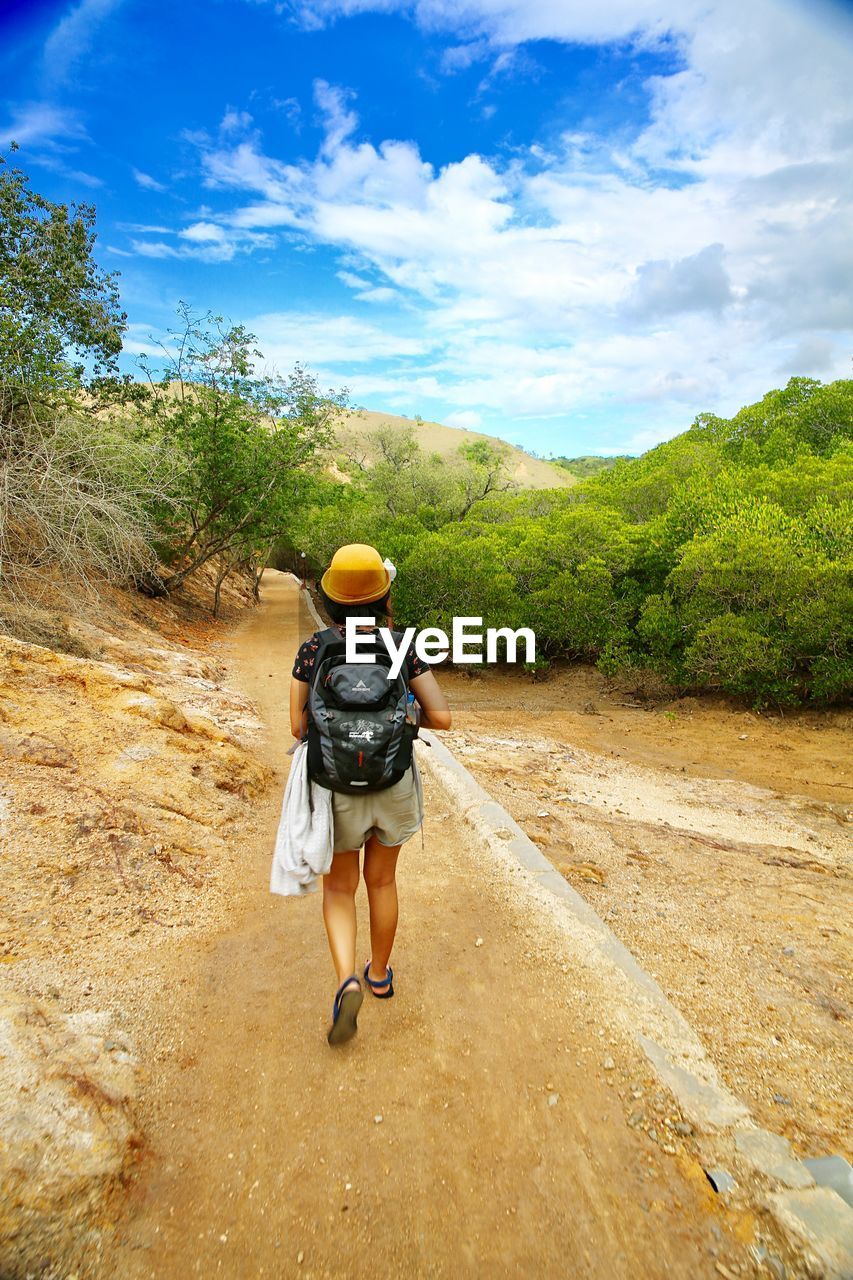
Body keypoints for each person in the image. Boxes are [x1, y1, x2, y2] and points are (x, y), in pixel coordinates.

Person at [290, 543, 451, 1046]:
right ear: (384, 594)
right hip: (392, 781)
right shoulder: (405, 646)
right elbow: (442, 719)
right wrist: (393, 719)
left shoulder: (315, 648)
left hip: (334, 783)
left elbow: (298, 727)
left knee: (340, 888)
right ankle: (379, 974)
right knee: (382, 882)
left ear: (333, 597)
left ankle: (347, 980)